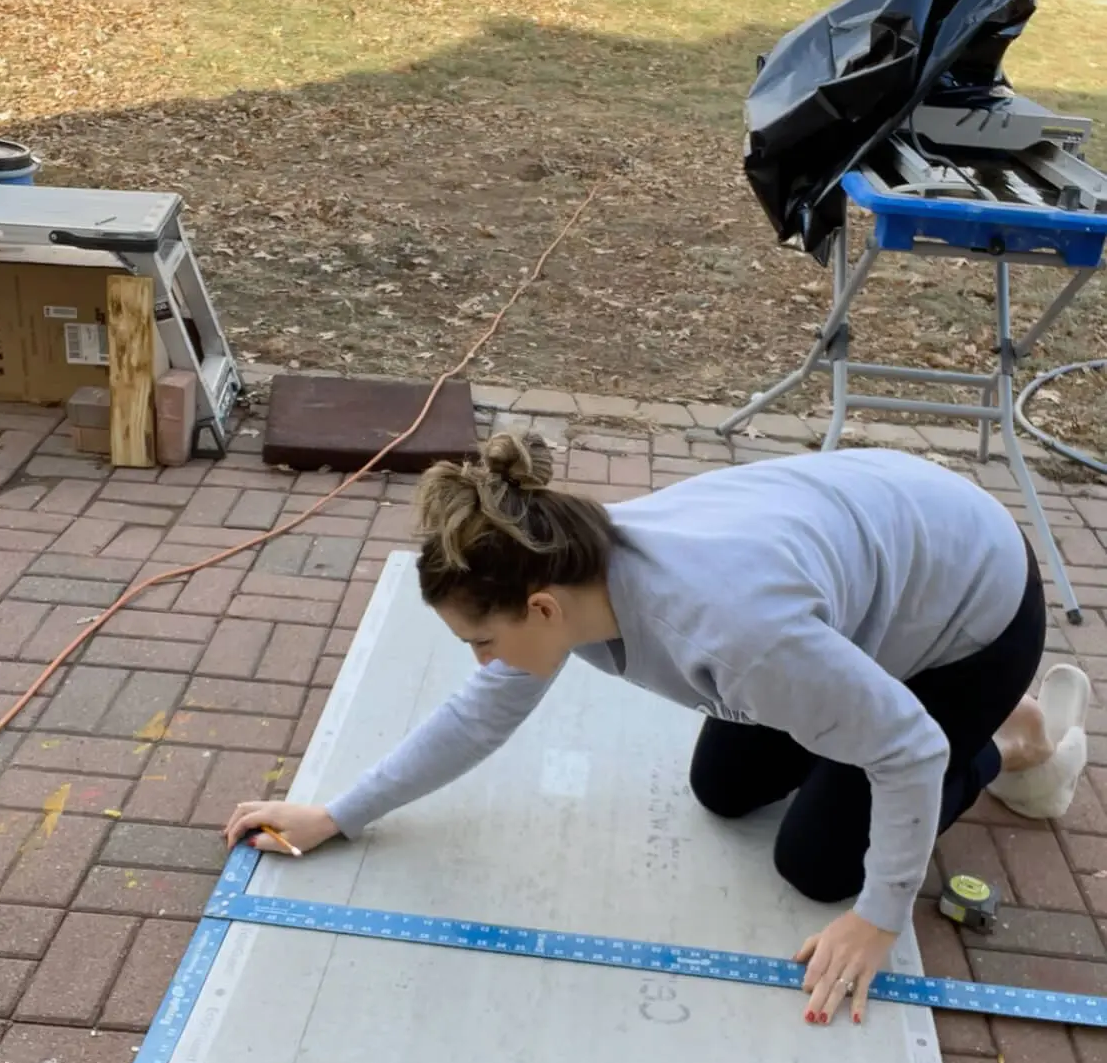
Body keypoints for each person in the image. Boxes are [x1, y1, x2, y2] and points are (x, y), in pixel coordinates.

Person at [225, 431, 1090, 1027]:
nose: (484, 664)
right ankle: (887, 690)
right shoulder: (573, 571)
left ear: (539, 605)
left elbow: (909, 753)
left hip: (978, 609)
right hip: (883, 574)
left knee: (817, 863)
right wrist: (337, 813)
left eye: (483, 641)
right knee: (721, 788)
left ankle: (1012, 738)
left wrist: (879, 918)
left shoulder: (734, 636)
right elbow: (479, 718)